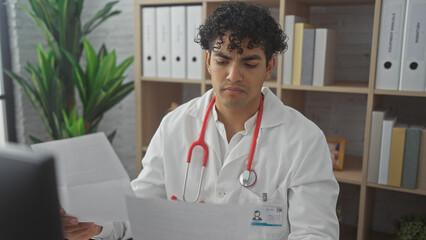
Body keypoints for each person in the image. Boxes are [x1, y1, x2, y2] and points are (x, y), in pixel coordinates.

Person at [61, 2, 339, 239]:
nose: (233, 75)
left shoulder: (304, 140)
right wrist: (95, 225)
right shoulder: (175, 125)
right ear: (208, 61)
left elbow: (314, 232)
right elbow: (140, 209)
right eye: (222, 61)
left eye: (249, 64)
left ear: (269, 67)